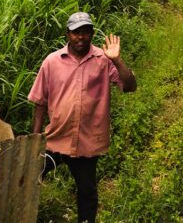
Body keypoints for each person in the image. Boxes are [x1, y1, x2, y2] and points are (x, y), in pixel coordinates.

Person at [29, 12, 137, 223]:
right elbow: (40, 101)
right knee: (30, 176)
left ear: (92, 34)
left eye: (85, 32)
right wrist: (34, 139)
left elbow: (131, 86)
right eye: (76, 32)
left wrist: (117, 60)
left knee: (87, 193)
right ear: (67, 34)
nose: (81, 37)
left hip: (87, 143)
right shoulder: (52, 62)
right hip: (55, 140)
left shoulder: (104, 61)